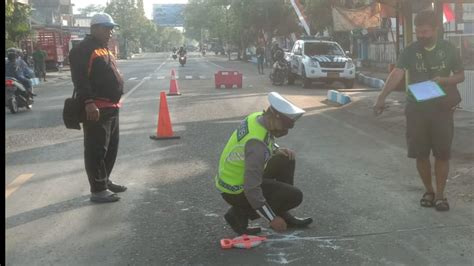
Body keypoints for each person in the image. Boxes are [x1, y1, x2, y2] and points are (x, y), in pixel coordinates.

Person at [373, 11, 465, 212]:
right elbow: (397, 73)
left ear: (436, 29)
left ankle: (441, 195)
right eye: (418, 32)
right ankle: (429, 191)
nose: (421, 36)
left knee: (442, 154)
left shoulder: (449, 49)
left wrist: (444, 80)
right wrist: (381, 97)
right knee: (420, 153)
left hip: (441, 109)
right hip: (416, 109)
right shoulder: (410, 50)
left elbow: (460, 76)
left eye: (425, 32)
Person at [216, 92, 313, 235]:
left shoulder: (256, 118)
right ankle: (238, 214)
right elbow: (251, 188)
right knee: (294, 196)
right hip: (236, 189)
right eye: (284, 126)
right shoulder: (256, 145)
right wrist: (272, 218)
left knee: (286, 159)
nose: (285, 131)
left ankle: (283, 213)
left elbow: (265, 139)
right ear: (274, 117)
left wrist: (277, 150)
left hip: (236, 177)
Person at [69, 13, 127, 203]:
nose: (110, 32)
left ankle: (105, 180)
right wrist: (88, 102)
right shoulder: (83, 49)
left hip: (112, 107)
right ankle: (98, 189)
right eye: (105, 28)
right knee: (96, 149)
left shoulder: (104, 49)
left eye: (111, 28)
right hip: (97, 108)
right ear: (93, 28)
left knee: (111, 148)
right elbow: (80, 79)